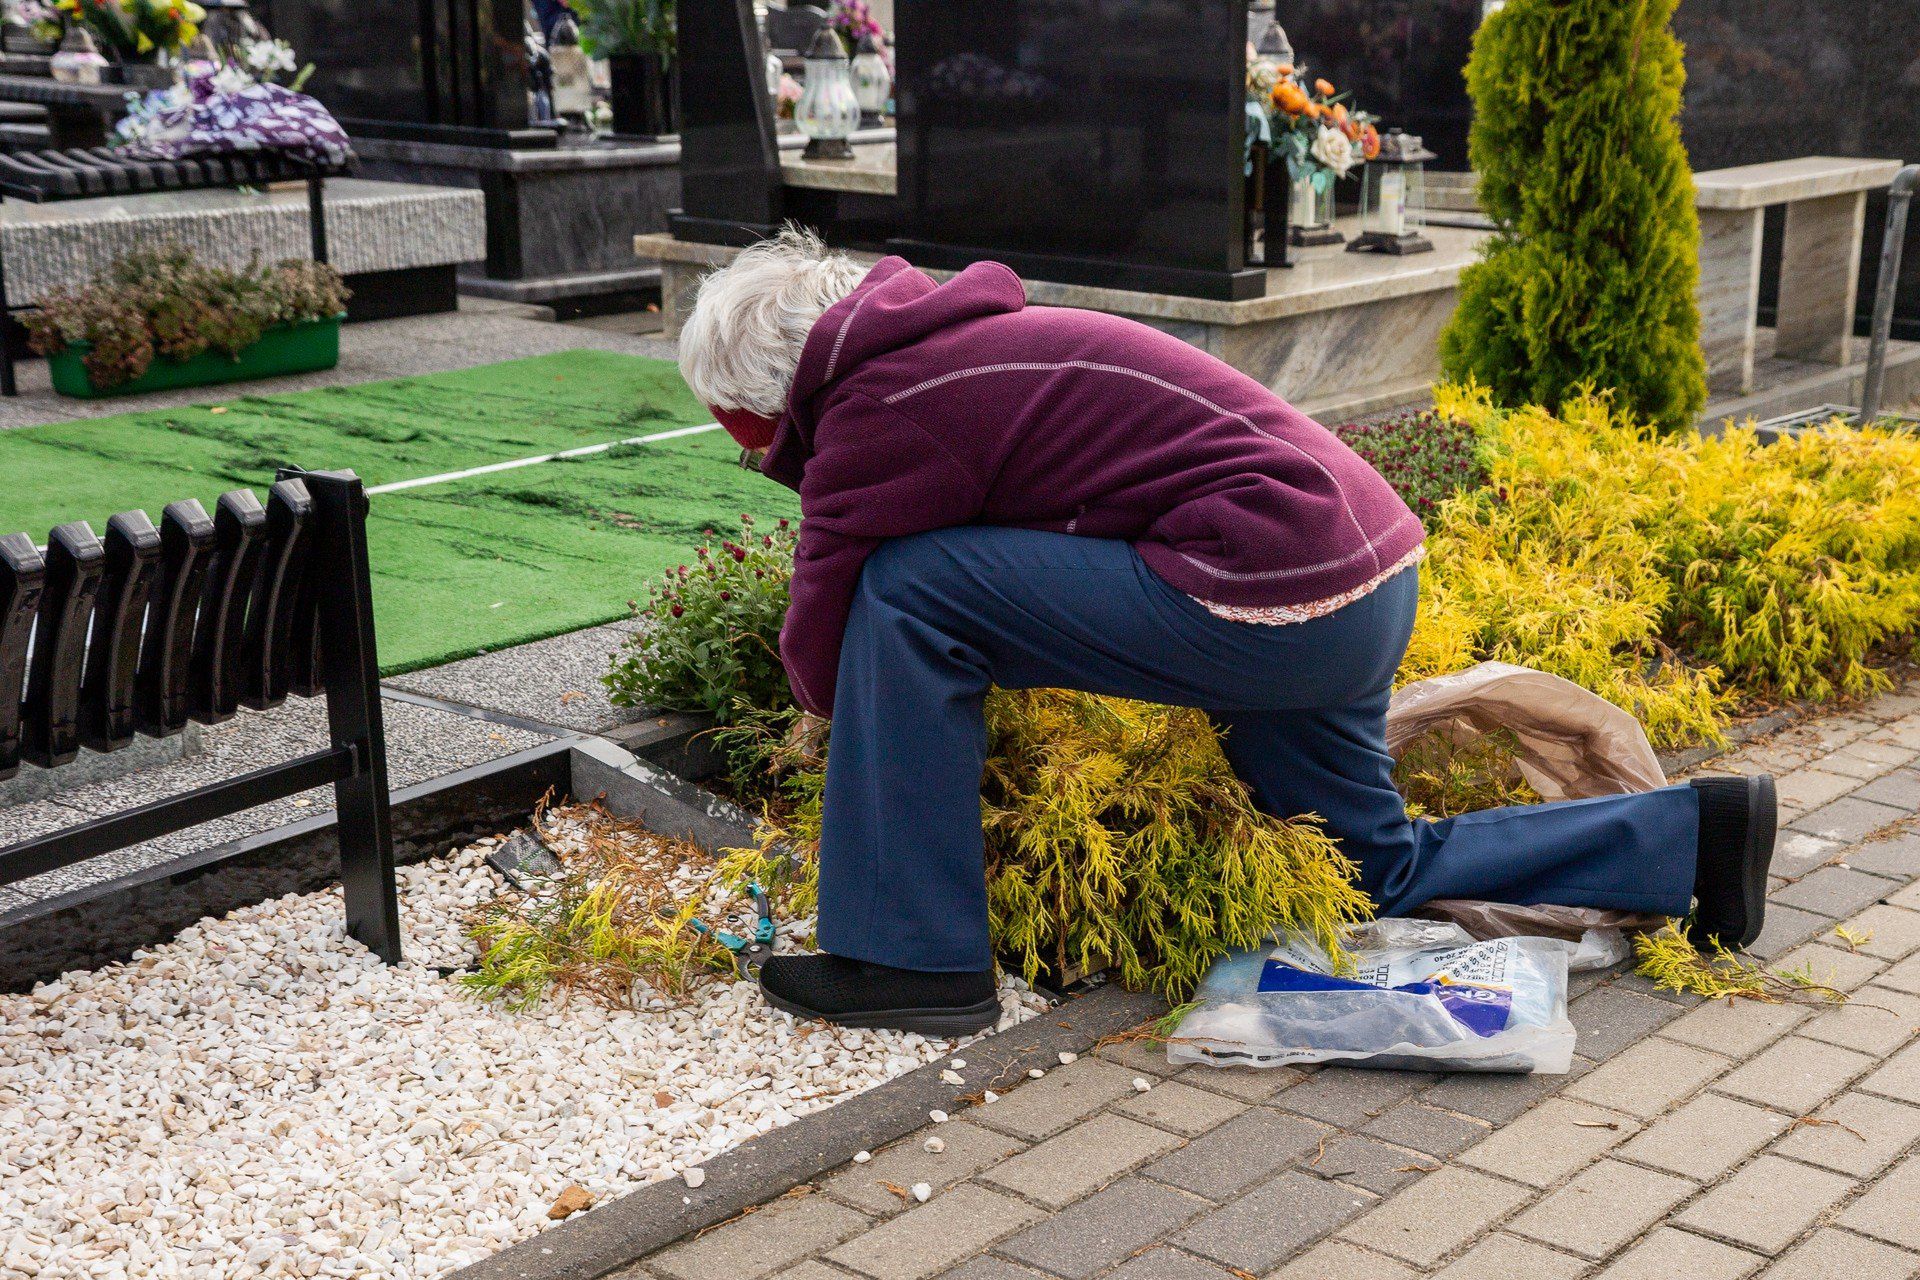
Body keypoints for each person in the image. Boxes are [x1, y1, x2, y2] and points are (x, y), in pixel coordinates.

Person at [675, 229, 1776, 1035]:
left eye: (746, 439)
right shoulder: (950, 343)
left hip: (1271, 596)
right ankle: (1688, 838)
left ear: (757, 407)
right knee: (1363, 864)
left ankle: (910, 958)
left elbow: (826, 635)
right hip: (1360, 575)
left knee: (911, 586)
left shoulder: (880, 405)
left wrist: (841, 714)